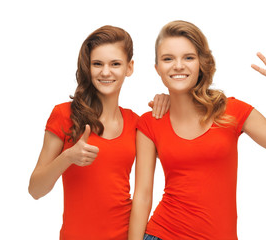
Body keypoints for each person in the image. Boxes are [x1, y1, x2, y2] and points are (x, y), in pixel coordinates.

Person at [128, 20, 266, 240]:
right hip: (163, 234)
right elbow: (142, 196)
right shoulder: (151, 121)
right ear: (158, 68)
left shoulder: (232, 111)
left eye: (188, 57)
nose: (178, 65)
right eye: (168, 59)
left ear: (202, 64)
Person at [28, 25, 169, 240]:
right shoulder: (64, 115)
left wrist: (170, 102)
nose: (105, 72)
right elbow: (35, 190)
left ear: (129, 68)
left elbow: (178, 155)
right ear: (88, 67)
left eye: (115, 64)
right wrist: (68, 157)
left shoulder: (136, 122)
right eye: (97, 64)